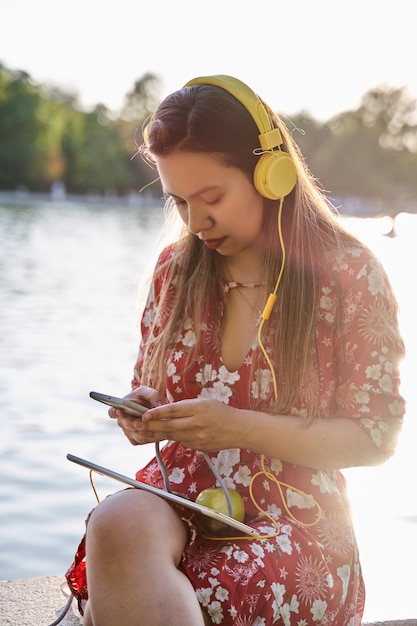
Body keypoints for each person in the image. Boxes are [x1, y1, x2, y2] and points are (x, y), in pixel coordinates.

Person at [66, 75, 405, 626]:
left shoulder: (348, 275)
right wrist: (146, 413)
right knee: (113, 526)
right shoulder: (173, 273)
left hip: (295, 514)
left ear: (271, 176)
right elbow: (153, 389)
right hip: (178, 493)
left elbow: (375, 440)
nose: (195, 223)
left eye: (212, 198)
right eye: (179, 201)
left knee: (207, 586)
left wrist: (235, 427)